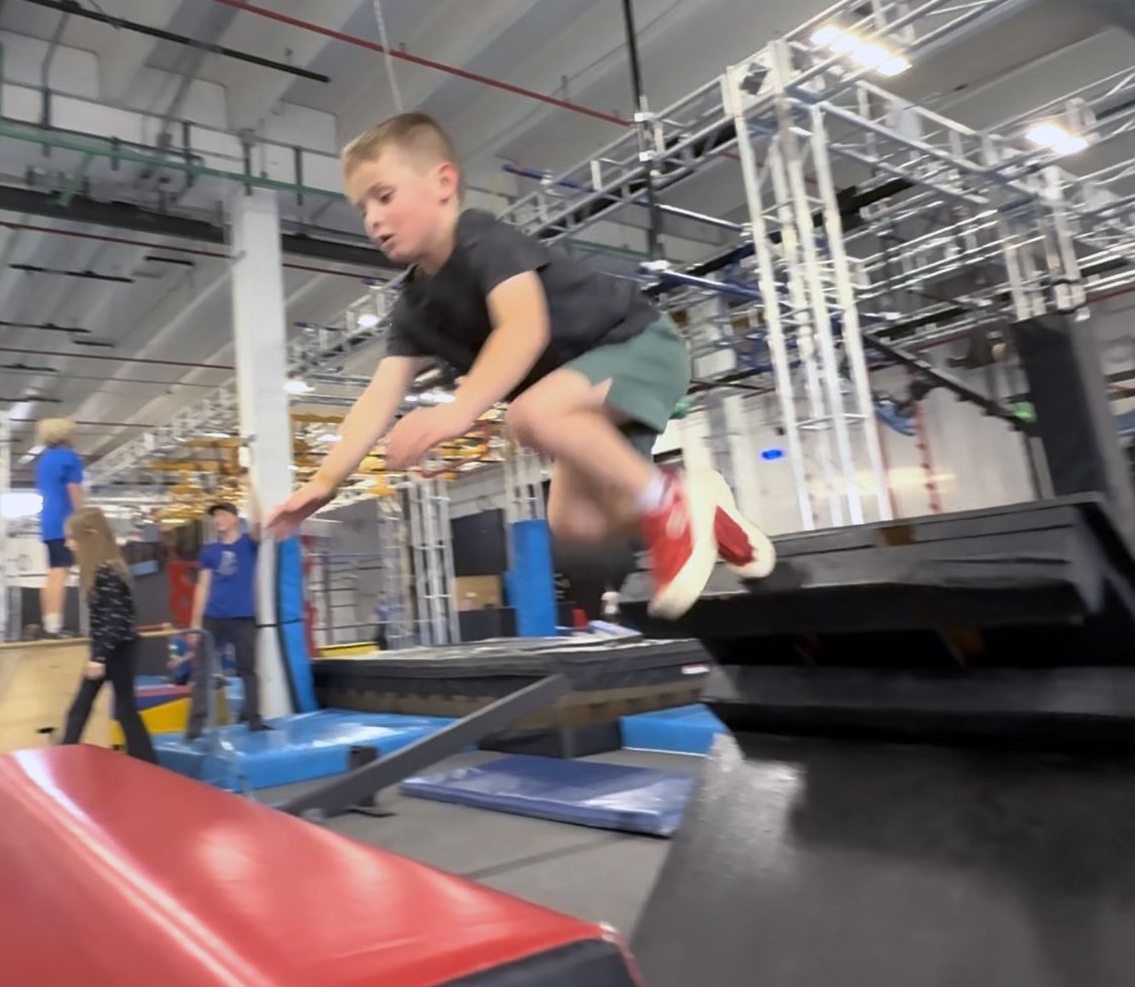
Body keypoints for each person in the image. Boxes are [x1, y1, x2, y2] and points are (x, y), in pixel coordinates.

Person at [267, 112, 775, 617]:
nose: (372, 219)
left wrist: (457, 411)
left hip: (638, 346)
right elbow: (380, 394)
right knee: (574, 523)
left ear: (443, 182)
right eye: (362, 209)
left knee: (529, 415)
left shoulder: (482, 239)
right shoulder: (414, 307)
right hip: (579, 399)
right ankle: (705, 513)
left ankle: (670, 502)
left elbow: (523, 327)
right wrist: (325, 481)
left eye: (384, 196)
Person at [58, 507, 159, 764]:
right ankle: (145, 758)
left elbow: (113, 621)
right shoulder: (104, 570)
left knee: (99, 707)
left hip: (117, 649)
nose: (68, 544)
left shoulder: (107, 572)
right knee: (115, 708)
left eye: (72, 538)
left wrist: (99, 658)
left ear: (90, 536)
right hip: (116, 647)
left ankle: (145, 759)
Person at [190, 497, 266, 736]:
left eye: (223, 515)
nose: (218, 520)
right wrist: (195, 623)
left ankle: (252, 717)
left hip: (242, 617)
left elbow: (258, 524)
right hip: (213, 617)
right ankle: (196, 725)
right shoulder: (209, 550)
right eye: (215, 516)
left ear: (235, 518)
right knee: (203, 672)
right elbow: (202, 586)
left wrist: (251, 487)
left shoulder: (248, 544)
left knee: (248, 669)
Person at [34, 417, 86, 638]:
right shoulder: (69, 457)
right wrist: (82, 517)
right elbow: (73, 489)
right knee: (60, 571)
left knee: (52, 572)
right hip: (65, 521)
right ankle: (54, 627)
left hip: (48, 522)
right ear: (64, 435)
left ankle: (49, 624)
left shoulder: (44, 460)